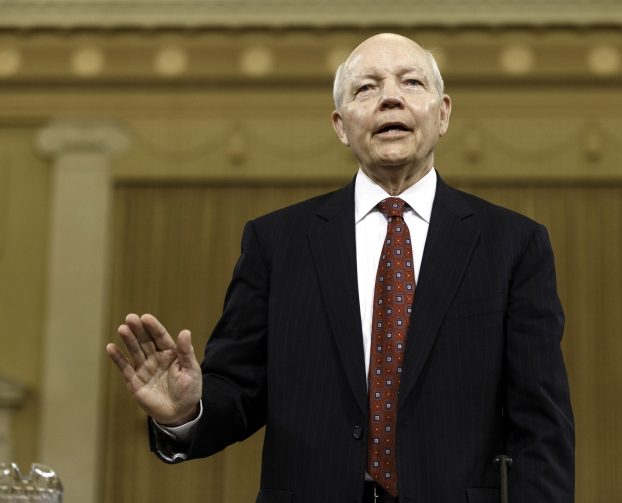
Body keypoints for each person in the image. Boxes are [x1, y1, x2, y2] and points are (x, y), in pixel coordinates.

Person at [106, 33, 574, 503]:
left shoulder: (513, 244)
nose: (390, 96)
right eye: (365, 88)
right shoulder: (276, 243)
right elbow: (239, 391)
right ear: (340, 125)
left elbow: (541, 424)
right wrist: (185, 413)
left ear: (443, 113)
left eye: (410, 82)